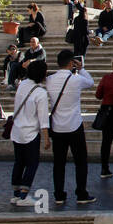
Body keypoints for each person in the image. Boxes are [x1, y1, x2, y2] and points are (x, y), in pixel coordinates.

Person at [46, 48, 96, 206]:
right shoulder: (76, 79)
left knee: (58, 163)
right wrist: (81, 69)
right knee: (80, 161)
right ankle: (81, 193)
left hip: (57, 126)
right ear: (71, 62)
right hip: (74, 125)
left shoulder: (50, 79)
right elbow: (91, 82)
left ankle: (59, 194)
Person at [9, 58, 50, 206]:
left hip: (17, 130)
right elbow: (43, 119)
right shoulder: (40, 93)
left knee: (19, 162)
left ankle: (16, 194)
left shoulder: (23, 85)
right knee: (32, 164)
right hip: (31, 132)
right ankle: (24, 196)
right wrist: (46, 139)